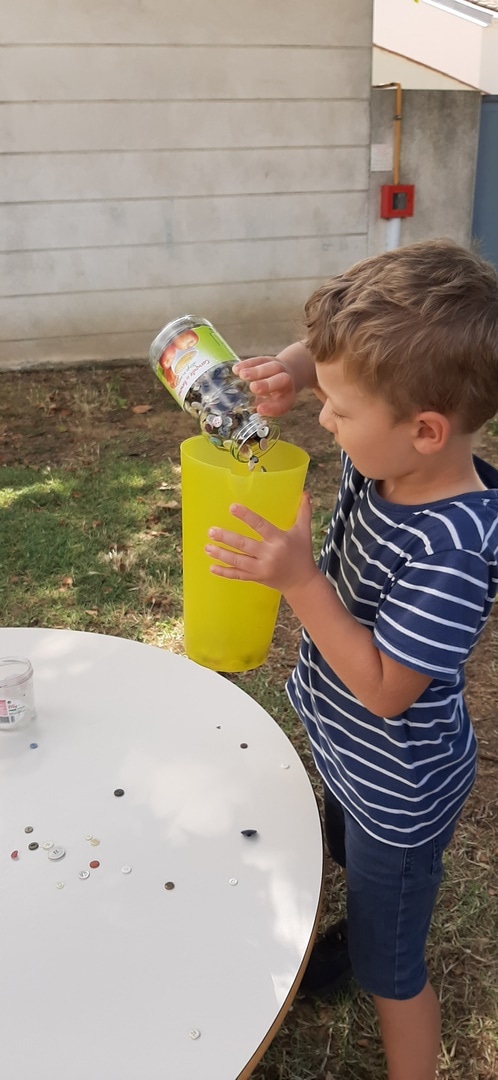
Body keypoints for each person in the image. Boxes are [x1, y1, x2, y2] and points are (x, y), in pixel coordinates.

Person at [204, 239, 498, 1080]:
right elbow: (335, 358)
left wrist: (300, 581)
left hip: (397, 790)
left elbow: (386, 691)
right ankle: (357, 918)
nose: (323, 420)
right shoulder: (395, 452)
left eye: (337, 408)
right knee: (336, 848)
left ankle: (381, 974)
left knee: (390, 972)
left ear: (425, 429)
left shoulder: (451, 548)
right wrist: (293, 371)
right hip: (350, 757)